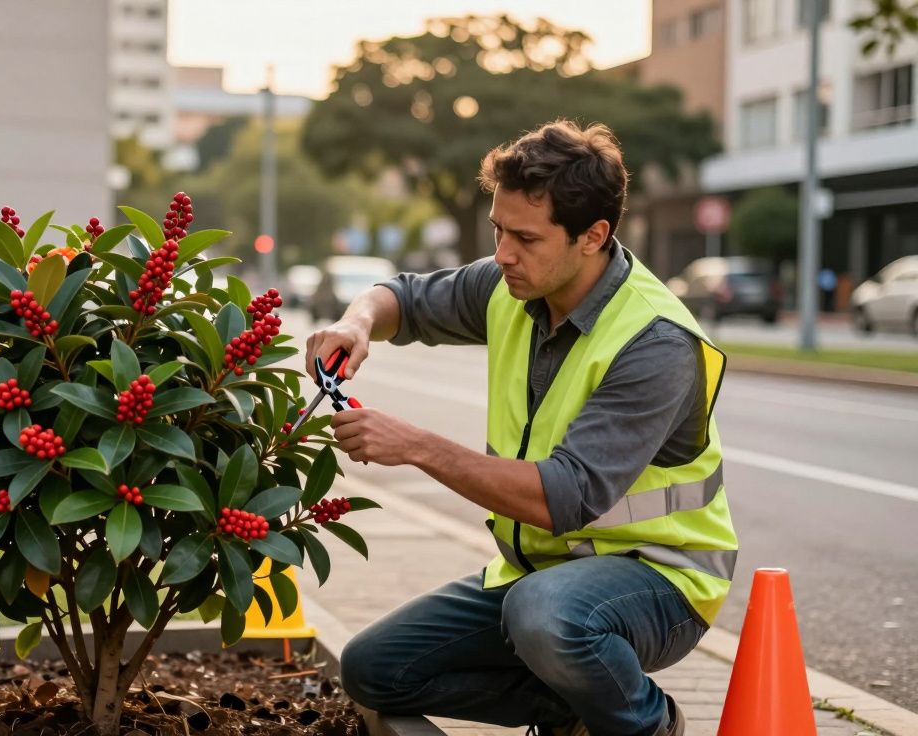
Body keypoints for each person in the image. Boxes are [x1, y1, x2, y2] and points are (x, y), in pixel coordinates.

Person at [304, 120, 737, 736]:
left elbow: (562, 497)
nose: (504, 252)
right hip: (541, 576)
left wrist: (417, 447)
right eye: (498, 230)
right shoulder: (512, 284)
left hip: (661, 580)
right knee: (375, 670)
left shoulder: (654, 342)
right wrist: (357, 323)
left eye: (525, 237)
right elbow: (403, 296)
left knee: (544, 615)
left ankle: (648, 724)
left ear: (594, 236)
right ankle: (572, 714)